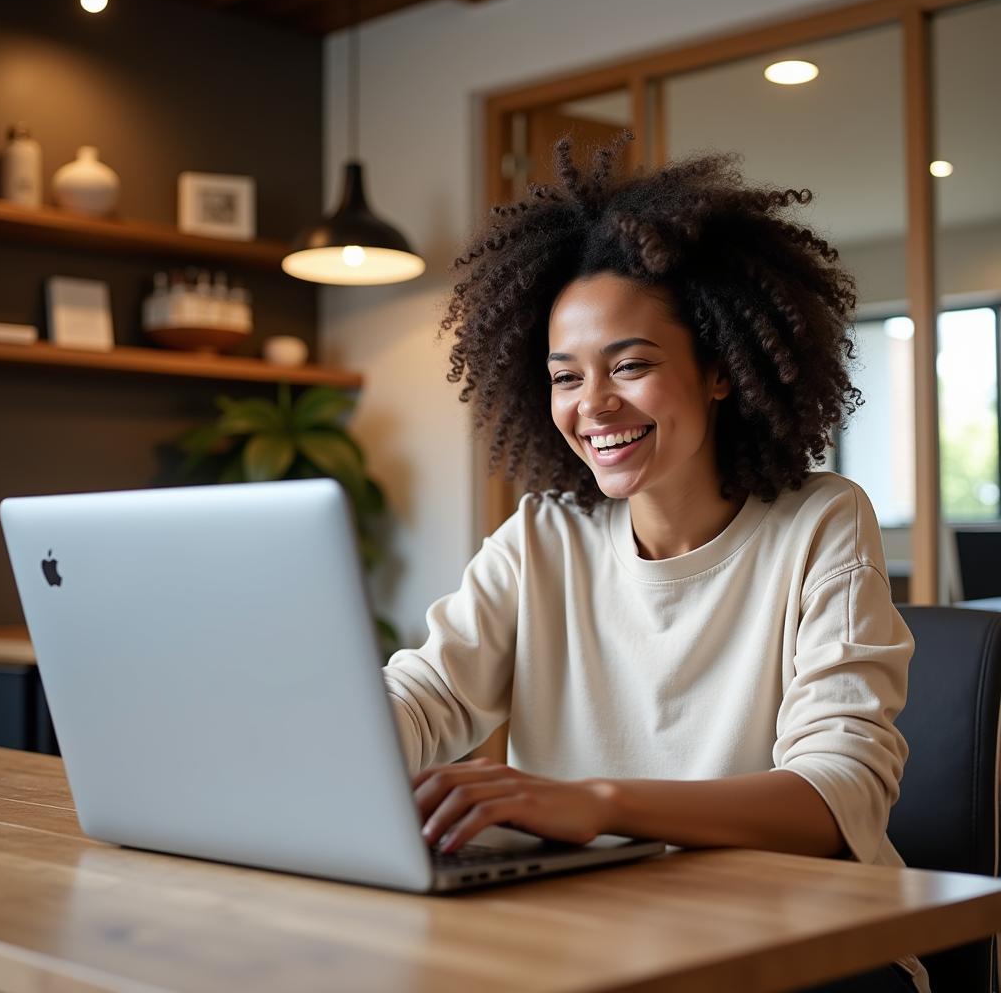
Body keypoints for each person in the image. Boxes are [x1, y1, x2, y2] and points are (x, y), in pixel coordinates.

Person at [382, 131, 929, 993]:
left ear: (718, 369)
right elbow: (426, 696)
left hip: (801, 944)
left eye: (630, 365)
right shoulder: (541, 538)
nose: (593, 405)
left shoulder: (820, 522)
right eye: (565, 377)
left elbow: (838, 795)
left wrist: (599, 803)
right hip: (592, 931)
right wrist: (324, 734)